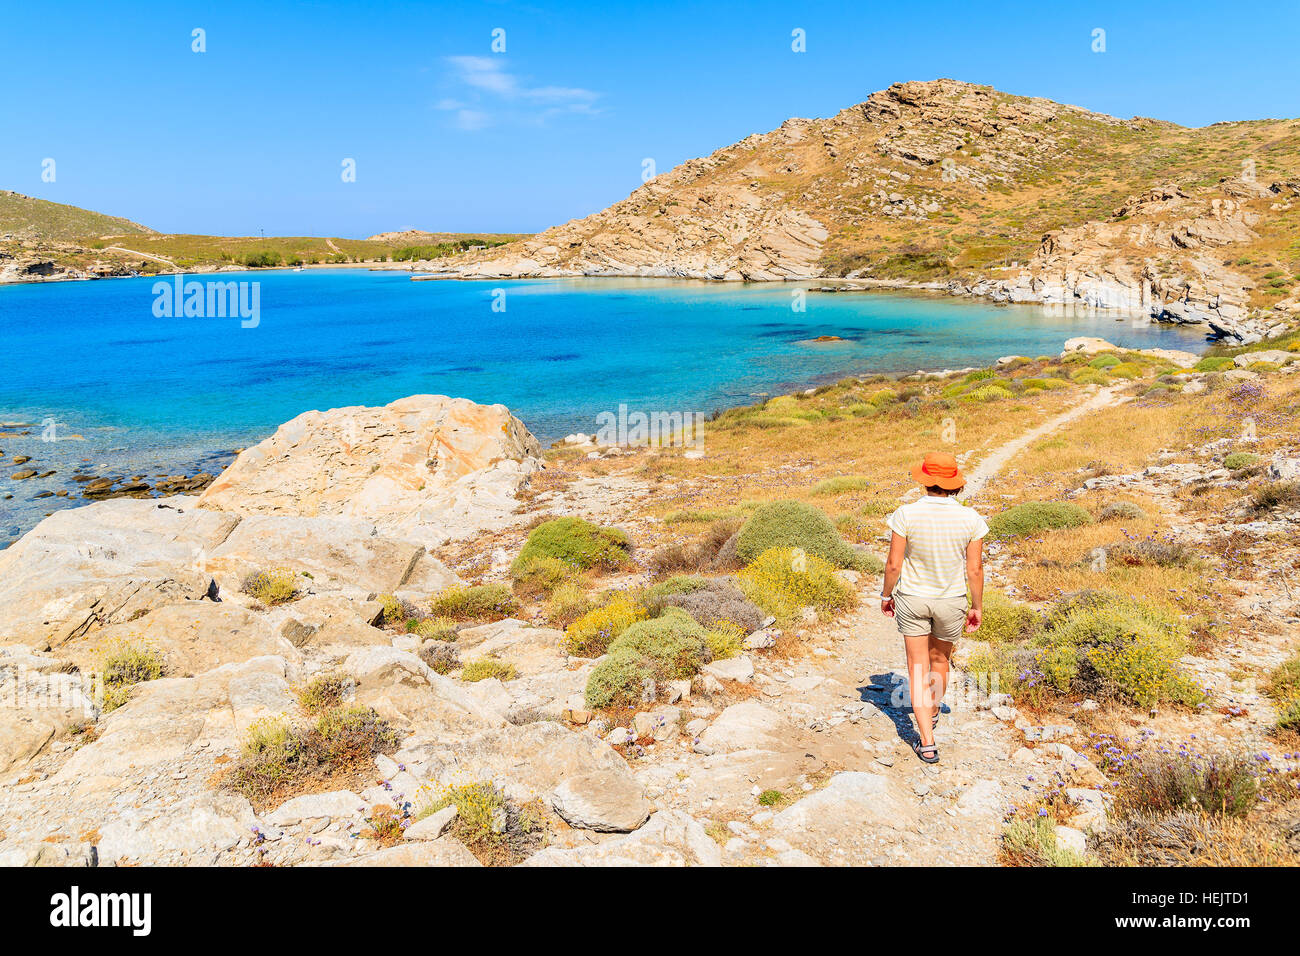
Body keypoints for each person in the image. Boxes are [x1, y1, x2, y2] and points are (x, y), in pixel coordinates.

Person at [880, 452, 988, 763]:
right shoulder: (971, 519)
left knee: (917, 669)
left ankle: (926, 741)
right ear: (954, 484)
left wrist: (886, 595)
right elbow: (975, 570)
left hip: (913, 598)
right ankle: (934, 707)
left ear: (926, 480)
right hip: (951, 601)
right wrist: (977, 605)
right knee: (940, 660)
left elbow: (893, 563)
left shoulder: (906, 514)